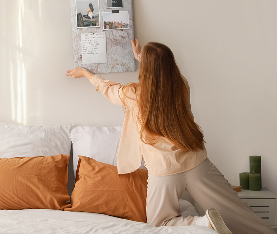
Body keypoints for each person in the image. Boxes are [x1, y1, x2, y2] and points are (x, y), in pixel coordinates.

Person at [66, 40, 275, 234]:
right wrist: (145, 58)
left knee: (158, 224)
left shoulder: (134, 95)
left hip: (164, 171)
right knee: (234, 212)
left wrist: (85, 73)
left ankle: (202, 223)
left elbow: (108, 88)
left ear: (146, 69)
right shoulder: (181, 86)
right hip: (196, 162)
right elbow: (162, 74)